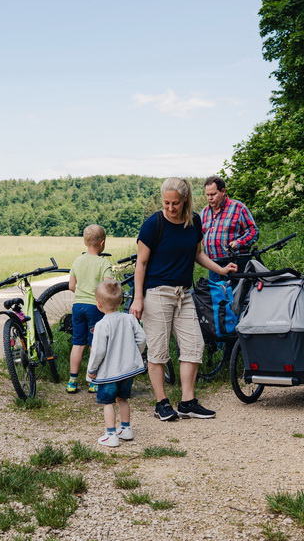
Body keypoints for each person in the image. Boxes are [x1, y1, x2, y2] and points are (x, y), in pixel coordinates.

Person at [129, 177, 238, 421]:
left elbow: (198, 253)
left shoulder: (194, 221)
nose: (170, 208)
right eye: (166, 203)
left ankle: (188, 402)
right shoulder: (153, 224)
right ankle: (161, 403)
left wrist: (220, 270)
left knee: (194, 346)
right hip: (157, 294)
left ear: (185, 200)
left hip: (184, 294)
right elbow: (141, 264)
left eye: (175, 203)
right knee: (158, 351)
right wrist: (138, 298)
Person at [87, 281, 147, 447]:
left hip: (109, 374)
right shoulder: (129, 319)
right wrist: (135, 354)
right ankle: (126, 429)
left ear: (98, 305)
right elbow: (142, 339)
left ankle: (111, 434)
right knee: (123, 398)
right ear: (121, 301)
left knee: (108, 402)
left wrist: (92, 370)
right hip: (128, 371)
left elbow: (98, 351)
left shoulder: (102, 325)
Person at [67, 224, 114, 394]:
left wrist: (82, 291)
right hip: (95, 307)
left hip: (78, 306)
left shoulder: (77, 261)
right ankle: (93, 380)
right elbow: (108, 288)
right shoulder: (103, 263)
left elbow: (71, 286)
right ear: (102, 243)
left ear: (85, 242)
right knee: (95, 344)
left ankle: (72, 380)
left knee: (78, 343)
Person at [200, 176, 258, 281]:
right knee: (218, 296)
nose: (210, 198)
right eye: (207, 195)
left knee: (238, 296)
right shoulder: (204, 213)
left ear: (223, 191)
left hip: (236, 264)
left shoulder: (238, 208)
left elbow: (253, 232)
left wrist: (238, 243)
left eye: (213, 194)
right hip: (214, 266)